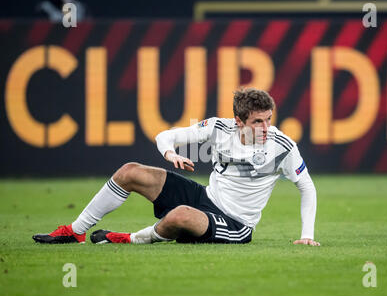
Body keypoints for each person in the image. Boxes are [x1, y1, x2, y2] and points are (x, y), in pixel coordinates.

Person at [33, 87, 320, 246]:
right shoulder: (219, 128)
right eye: (259, 121)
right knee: (129, 171)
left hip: (237, 224)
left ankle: (130, 239)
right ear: (240, 121)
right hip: (206, 198)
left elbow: (306, 187)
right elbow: (165, 135)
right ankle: (76, 231)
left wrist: (307, 236)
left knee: (181, 216)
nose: (267, 126)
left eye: (269, 118)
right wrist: (170, 154)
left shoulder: (282, 146)